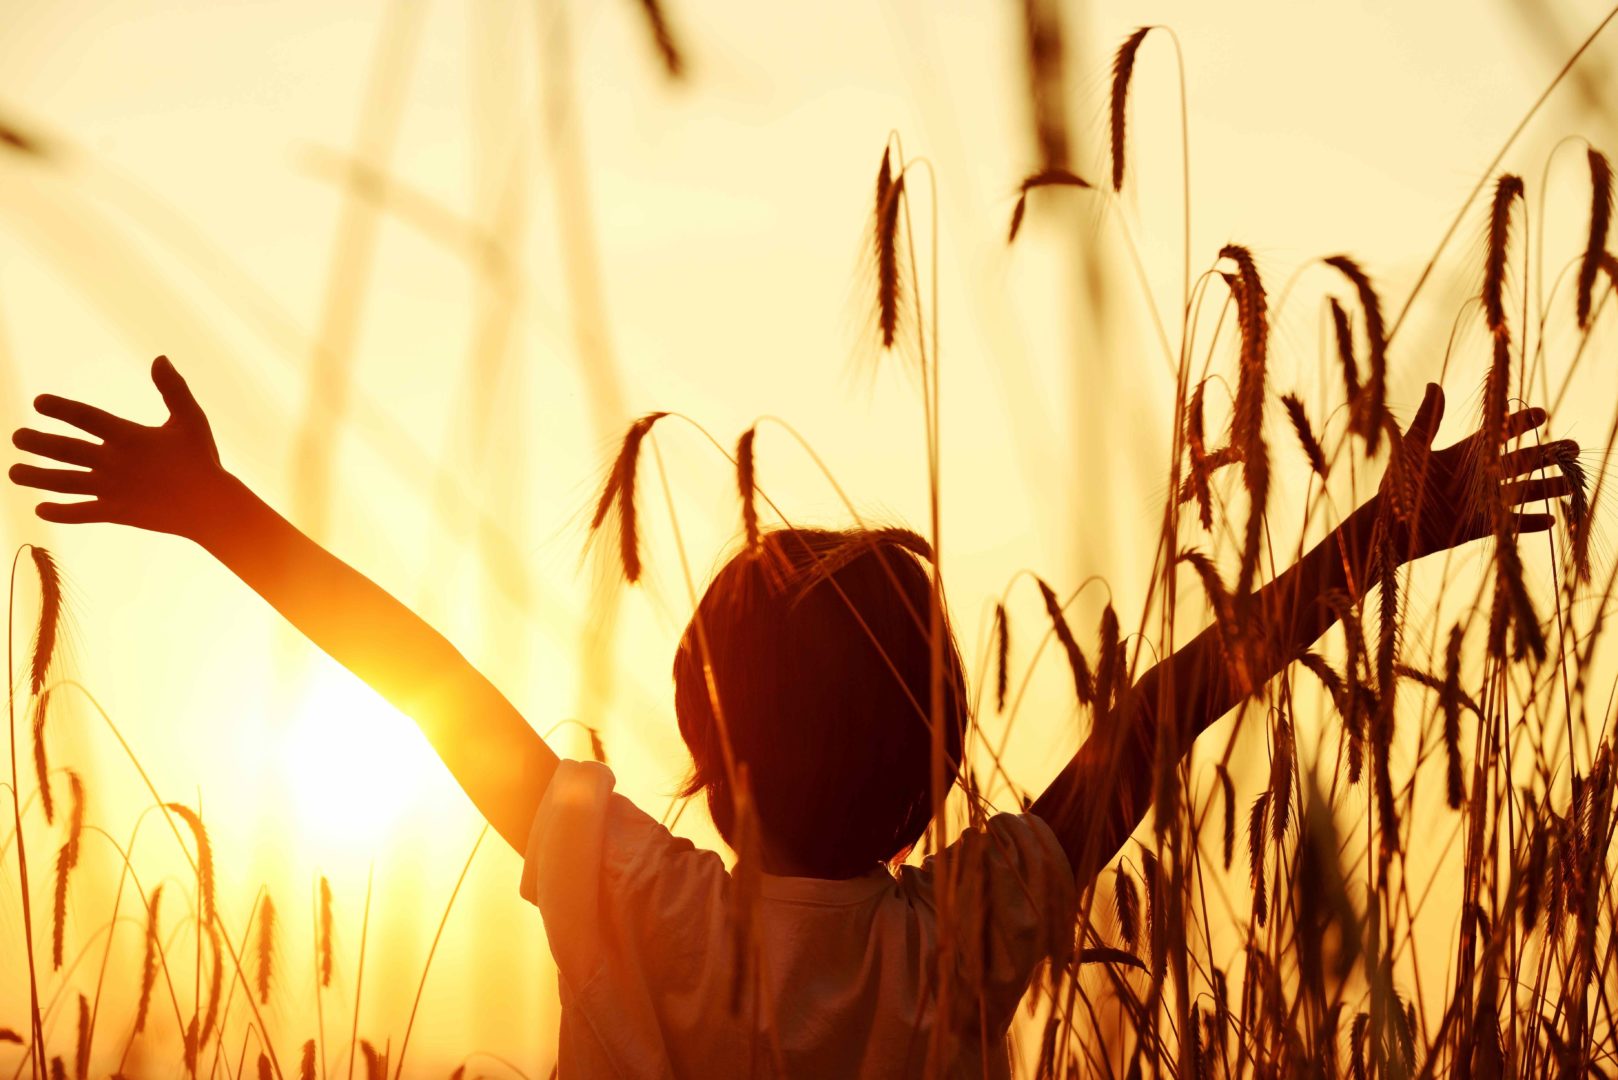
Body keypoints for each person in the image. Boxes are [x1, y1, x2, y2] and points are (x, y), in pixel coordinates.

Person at [10, 356, 1572, 1077]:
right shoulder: (969, 933)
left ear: (711, 753)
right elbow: (1161, 718)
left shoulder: (635, 904)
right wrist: (1375, 540)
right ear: (942, 763)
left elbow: (430, 687)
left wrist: (217, 514)